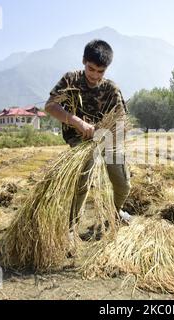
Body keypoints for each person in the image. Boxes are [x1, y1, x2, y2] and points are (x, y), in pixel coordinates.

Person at [44, 39, 131, 226]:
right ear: (84, 61)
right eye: (91, 69)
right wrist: (77, 122)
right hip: (80, 141)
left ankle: (115, 212)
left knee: (123, 184)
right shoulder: (71, 80)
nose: (95, 75)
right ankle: (72, 226)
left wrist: (106, 133)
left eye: (101, 71)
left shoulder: (111, 89)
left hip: (108, 140)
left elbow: (122, 120)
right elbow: (50, 106)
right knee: (83, 180)